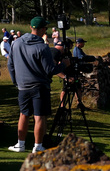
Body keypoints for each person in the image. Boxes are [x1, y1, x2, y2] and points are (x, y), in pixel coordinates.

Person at [7, 17, 66, 154]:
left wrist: (15, 81)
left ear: (30, 27)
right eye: (45, 28)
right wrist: (64, 65)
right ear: (42, 29)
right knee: (39, 116)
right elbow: (50, 70)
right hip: (39, 86)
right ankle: (38, 146)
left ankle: (20, 144)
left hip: (23, 86)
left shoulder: (16, 43)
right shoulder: (42, 47)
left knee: (24, 114)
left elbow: (10, 65)